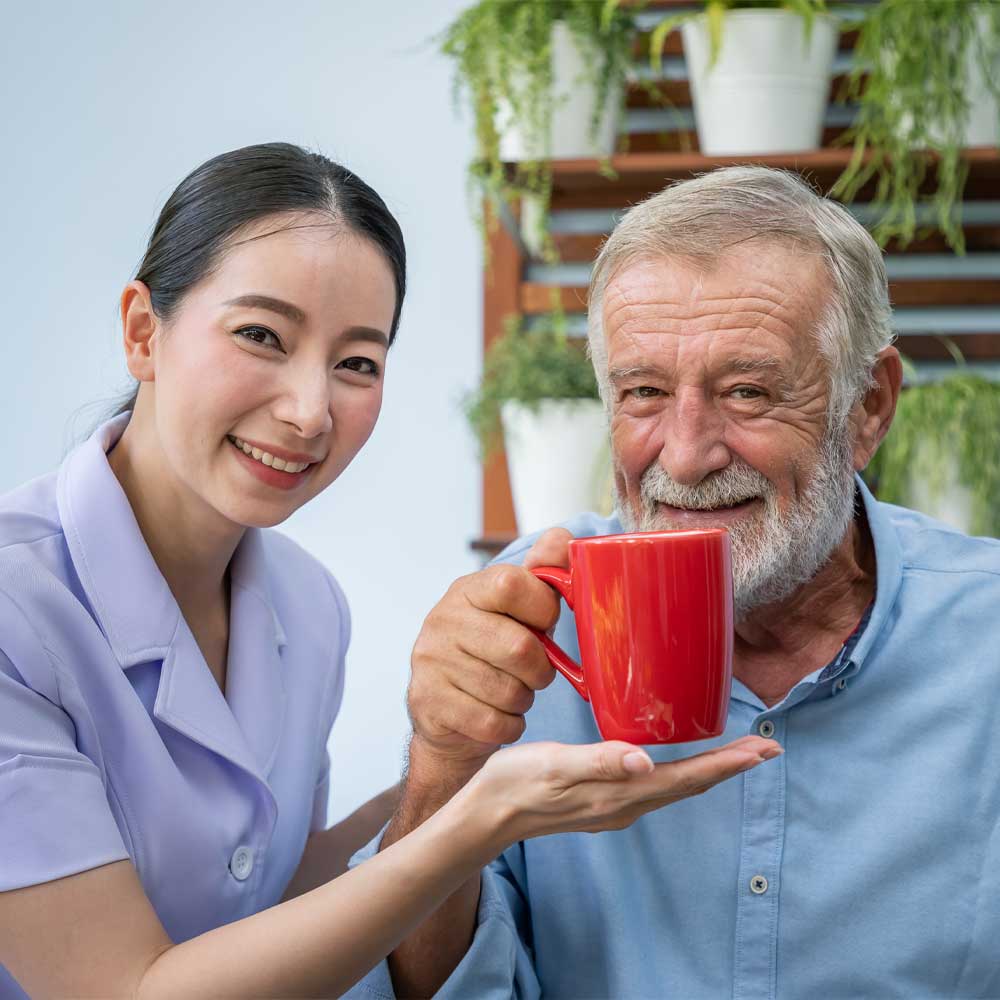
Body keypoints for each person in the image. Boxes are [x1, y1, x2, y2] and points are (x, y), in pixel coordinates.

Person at [0, 144, 781, 999]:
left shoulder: (306, 602)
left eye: (357, 363)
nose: (309, 411)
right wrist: (486, 819)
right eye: (261, 335)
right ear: (142, 332)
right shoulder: (16, 610)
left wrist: (446, 768)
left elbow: (276, 899)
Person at [350, 165, 1000, 999]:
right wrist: (442, 770)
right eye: (645, 393)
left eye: (749, 392)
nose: (687, 455)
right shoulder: (528, 620)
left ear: (867, 406)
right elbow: (424, 990)